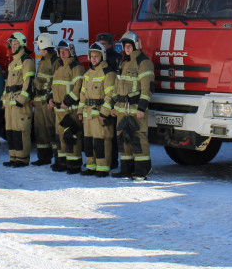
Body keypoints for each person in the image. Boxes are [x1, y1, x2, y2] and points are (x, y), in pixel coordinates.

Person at [113, 30, 155, 181]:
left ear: (136, 45)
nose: (127, 48)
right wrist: (113, 106)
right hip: (121, 110)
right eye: (125, 45)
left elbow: (147, 87)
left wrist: (142, 108)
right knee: (123, 140)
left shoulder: (143, 62)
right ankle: (126, 169)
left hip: (136, 110)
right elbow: (117, 86)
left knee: (138, 139)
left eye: (130, 45)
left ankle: (142, 171)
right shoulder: (123, 62)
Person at [80, 42, 117, 177]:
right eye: (92, 56)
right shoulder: (88, 73)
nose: (94, 58)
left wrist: (104, 113)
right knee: (89, 142)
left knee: (102, 141)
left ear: (102, 56)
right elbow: (82, 94)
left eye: (96, 56)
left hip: (100, 115)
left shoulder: (108, 73)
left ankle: (102, 168)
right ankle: (91, 166)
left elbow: (110, 95)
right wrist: (80, 111)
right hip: (88, 114)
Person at [50, 38, 85, 174]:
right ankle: (62, 162)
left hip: (70, 110)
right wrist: (50, 99)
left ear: (71, 51)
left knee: (72, 137)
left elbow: (78, 88)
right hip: (59, 109)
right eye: (60, 51)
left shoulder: (77, 67)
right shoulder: (59, 68)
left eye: (65, 51)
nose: (62, 53)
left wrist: (67, 102)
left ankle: (74, 164)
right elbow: (54, 86)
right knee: (60, 137)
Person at [1, 31, 36, 167]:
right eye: (11, 44)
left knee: (21, 130)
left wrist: (21, 101)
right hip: (10, 101)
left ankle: (22, 159)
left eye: (15, 44)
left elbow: (29, 82)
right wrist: (4, 100)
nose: (13, 46)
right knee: (10, 130)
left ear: (21, 45)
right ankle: (13, 157)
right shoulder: (12, 62)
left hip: (19, 103)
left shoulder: (26, 60)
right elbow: (7, 84)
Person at [31, 34, 59, 166]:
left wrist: (51, 98)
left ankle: (58, 158)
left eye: (38, 45)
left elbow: (56, 82)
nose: (37, 47)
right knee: (40, 129)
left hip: (48, 102)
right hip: (39, 100)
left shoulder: (55, 61)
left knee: (51, 129)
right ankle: (43, 157)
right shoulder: (42, 60)